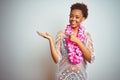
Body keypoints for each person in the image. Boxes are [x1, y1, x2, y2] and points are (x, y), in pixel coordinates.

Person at [37, 2, 95, 80]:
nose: (73, 19)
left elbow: (90, 59)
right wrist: (50, 40)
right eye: (71, 16)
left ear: (83, 18)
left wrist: (78, 41)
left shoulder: (86, 36)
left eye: (77, 17)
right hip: (64, 77)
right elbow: (56, 60)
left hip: (80, 77)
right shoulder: (62, 35)